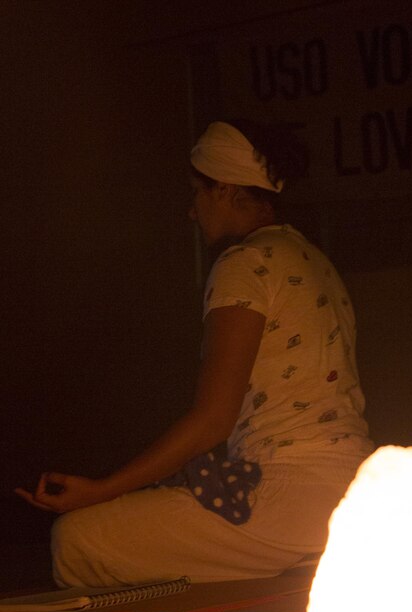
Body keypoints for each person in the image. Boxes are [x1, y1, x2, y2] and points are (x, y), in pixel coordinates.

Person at [16, 120, 374, 588]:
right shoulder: (315, 260)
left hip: (291, 500)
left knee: (77, 540)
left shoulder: (244, 264)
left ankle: (288, 565)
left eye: (197, 192)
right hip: (359, 491)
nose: (192, 211)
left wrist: (101, 491)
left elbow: (211, 421)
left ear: (224, 189)